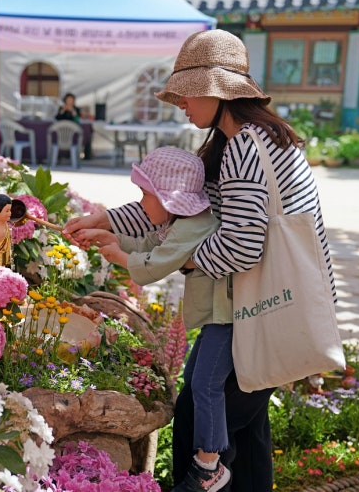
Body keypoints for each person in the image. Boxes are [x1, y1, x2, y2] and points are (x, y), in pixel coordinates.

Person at [64, 29, 335, 492]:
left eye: (186, 95)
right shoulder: (239, 142)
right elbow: (179, 210)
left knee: (202, 422)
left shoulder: (246, 148)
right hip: (264, 307)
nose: (181, 106)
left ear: (215, 90)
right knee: (243, 430)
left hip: (255, 312)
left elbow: (242, 246)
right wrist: (107, 220)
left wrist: (176, 261)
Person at [74, 146, 233, 491]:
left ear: (169, 198)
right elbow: (150, 243)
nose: (142, 204)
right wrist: (113, 239)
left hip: (227, 320)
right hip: (217, 318)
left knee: (206, 384)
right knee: (197, 382)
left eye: (146, 195)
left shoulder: (193, 227)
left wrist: (117, 255)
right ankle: (209, 461)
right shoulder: (183, 223)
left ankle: (210, 467)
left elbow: (156, 265)